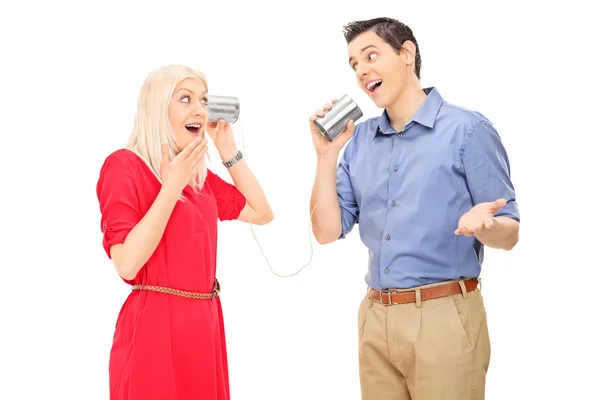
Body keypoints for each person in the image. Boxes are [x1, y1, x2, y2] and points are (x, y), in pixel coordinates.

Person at [309, 17, 520, 400]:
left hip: (444, 318)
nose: (361, 71)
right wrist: (326, 155)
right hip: (375, 317)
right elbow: (325, 232)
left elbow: (510, 233)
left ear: (407, 53)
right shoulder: (357, 144)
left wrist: (485, 226)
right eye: (354, 64)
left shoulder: (467, 130)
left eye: (370, 55)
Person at [96, 64, 274, 400]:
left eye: (204, 100)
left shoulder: (198, 178)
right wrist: (171, 186)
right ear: (158, 108)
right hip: (153, 327)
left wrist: (227, 151)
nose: (199, 109)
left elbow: (261, 212)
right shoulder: (123, 165)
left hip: (203, 324)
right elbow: (127, 263)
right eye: (186, 99)